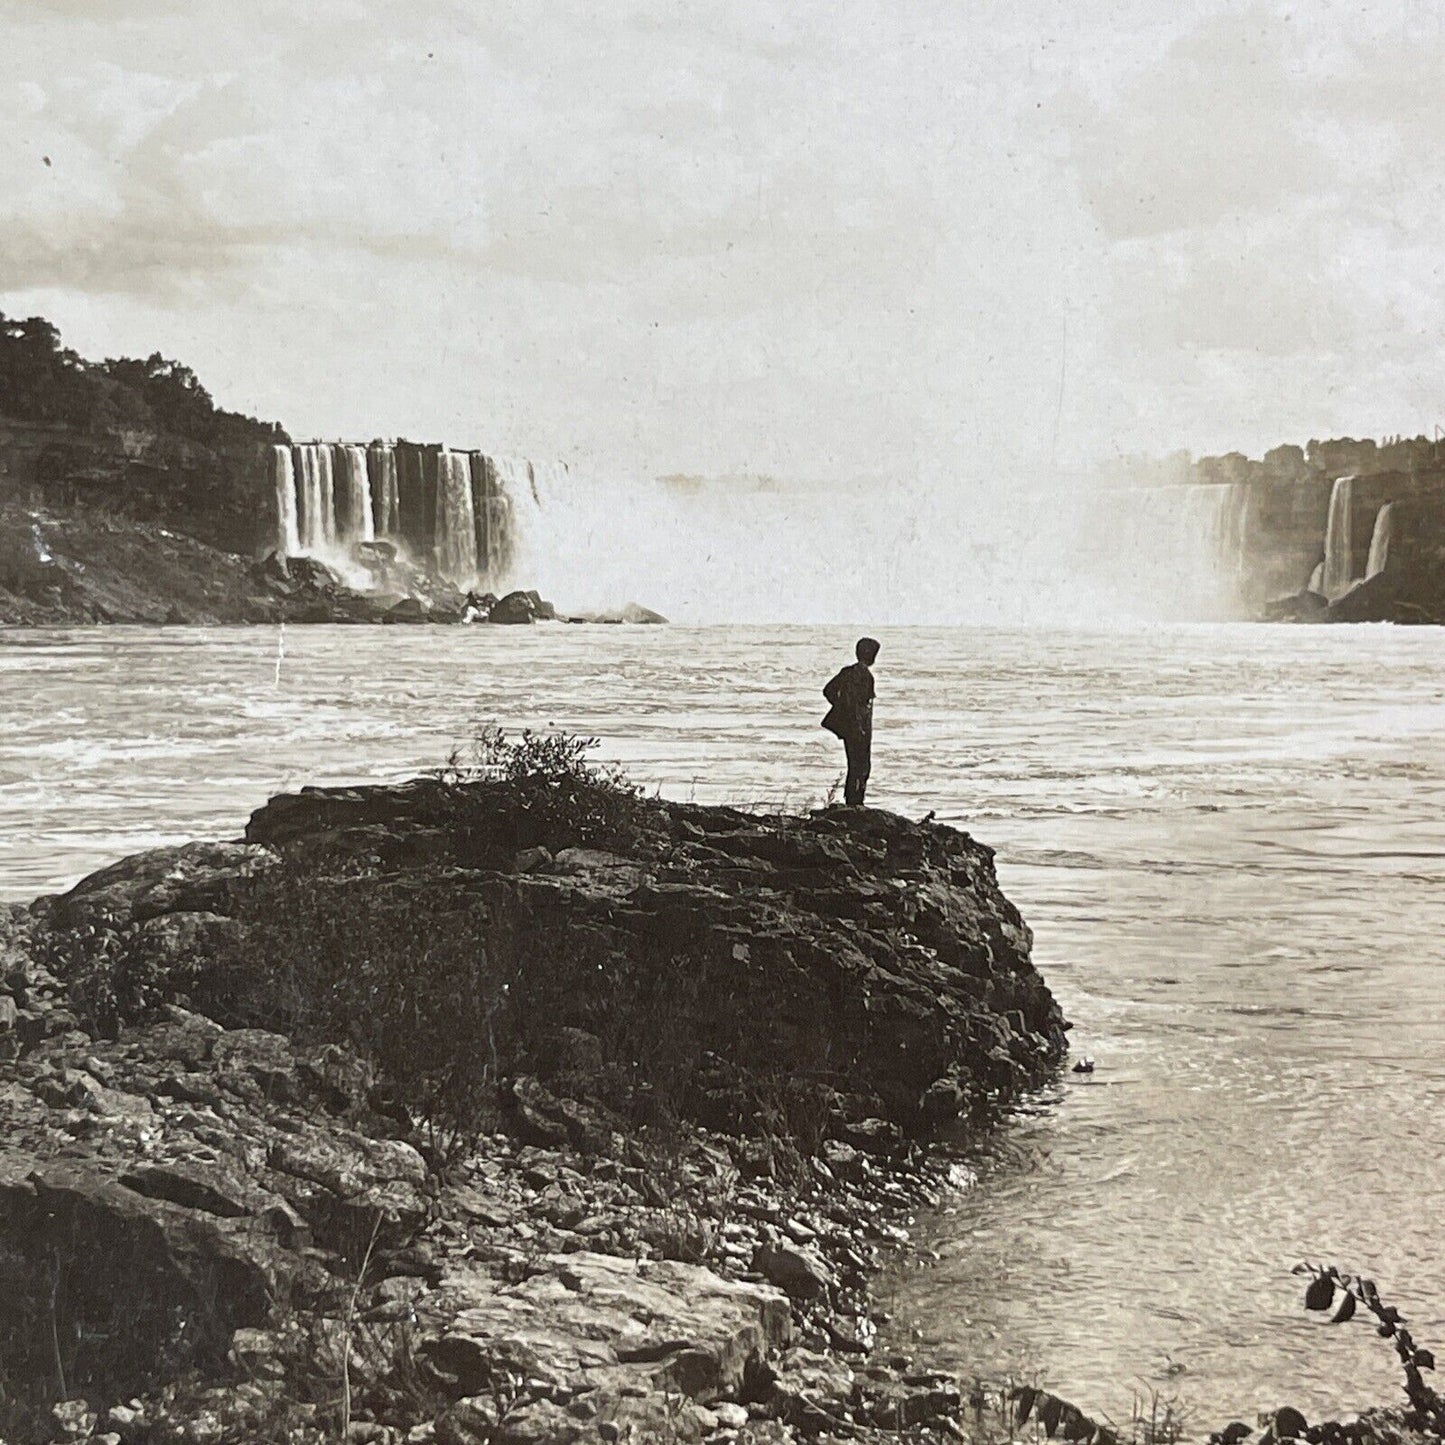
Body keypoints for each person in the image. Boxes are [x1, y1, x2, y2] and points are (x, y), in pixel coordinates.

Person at [822, 637, 880, 806]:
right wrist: (851, 714)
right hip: (860, 727)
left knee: (854, 764)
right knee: (861, 766)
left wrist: (842, 708)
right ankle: (856, 801)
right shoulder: (866, 677)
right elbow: (863, 705)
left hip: (850, 726)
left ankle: (852, 800)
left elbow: (828, 690)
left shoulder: (847, 672)